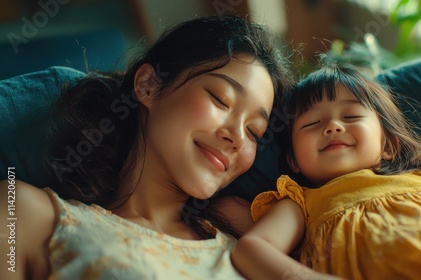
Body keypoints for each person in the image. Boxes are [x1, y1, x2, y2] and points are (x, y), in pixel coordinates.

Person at [0, 15, 295, 279]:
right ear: (148, 86)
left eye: (254, 132)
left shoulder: (249, 238)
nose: (237, 138)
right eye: (220, 99)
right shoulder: (22, 212)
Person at [230, 62, 421, 279]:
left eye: (350, 116)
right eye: (312, 122)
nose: (333, 126)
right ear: (294, 160)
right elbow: (253, 248)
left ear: (389, 145)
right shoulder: (301, 204)